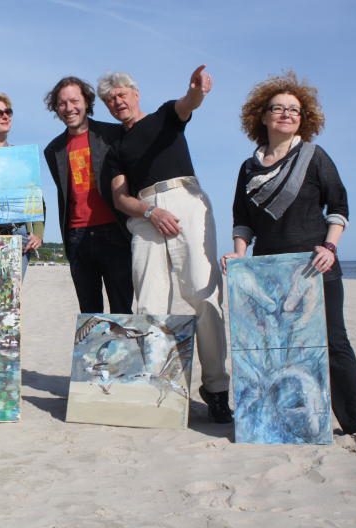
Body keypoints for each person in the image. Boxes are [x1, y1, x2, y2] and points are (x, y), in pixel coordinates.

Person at [220, 71, 356, 446]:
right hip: (270, 272)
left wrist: (330, 247)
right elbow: (243, 218)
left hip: (314, 266)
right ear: (263, 115)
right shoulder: (249, 167)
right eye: (279, 108)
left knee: (334, 342)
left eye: (295, 110)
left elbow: (338, 207)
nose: (287, 114)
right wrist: (239, 255)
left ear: (304, 119)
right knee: (274, 346)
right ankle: (277, 421)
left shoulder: (314, 157)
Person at [100, 66, 232, 423]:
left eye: (121, 94)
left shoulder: (163, 117)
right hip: (144, 214)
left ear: (135, 93)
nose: (117, 102)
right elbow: (120, 198)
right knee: (148, 303)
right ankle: (156, 389)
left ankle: (217, 389)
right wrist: (150, 211)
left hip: (186, 199)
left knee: (204, 297)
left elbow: (188, 104)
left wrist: (198, 90)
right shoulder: (115, 149)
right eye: (110, 100)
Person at [43, 77, 133, 314]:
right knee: (89, 314)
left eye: (74, 100)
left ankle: (124, 352)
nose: (69, 108)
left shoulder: (113, 134)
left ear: (87, 101)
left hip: (114, 232)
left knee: (122, 310)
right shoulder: (53, 149)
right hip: (77, 236)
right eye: (62, 103)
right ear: (56, 108)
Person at [0, 93, 45, 278]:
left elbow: (36, 200)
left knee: (11, 301)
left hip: (17, 235)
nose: (6, 116)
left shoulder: (21, 158)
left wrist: (37, 234)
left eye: (8, 112)